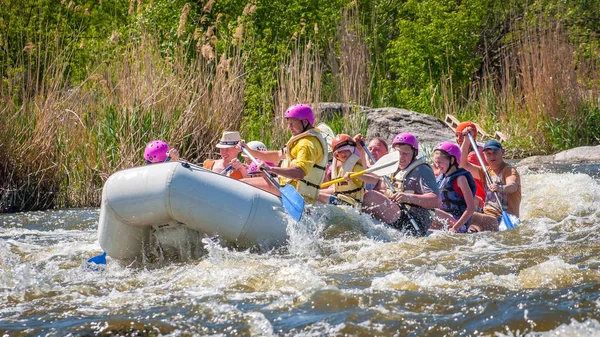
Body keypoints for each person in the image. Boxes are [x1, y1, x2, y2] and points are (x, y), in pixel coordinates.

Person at [238, 104, 328, 203]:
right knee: (243, 183)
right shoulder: (300, 139)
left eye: (292, 123)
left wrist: (271, 169)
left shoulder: (306, 144)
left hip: (294, 190)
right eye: (288, 123)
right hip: (289, 185)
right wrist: (250, 151)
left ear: (305, 122)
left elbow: (299, 172)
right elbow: (277, 155)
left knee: (242, 184)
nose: (289, 127)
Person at [362, 133, 441, 236]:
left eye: (405, 153)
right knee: (364, 196)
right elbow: (377, 182)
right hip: (398, 214)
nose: (401, 157)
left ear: (414, 153)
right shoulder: (394, 168)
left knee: (371, 196)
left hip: (414, 221)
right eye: (398, 153)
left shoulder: (422, 170)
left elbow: (436, 200)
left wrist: (408, 197)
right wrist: (355, 176)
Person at [459, 131, 522, 232]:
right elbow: (462, 164)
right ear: (484, 155)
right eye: (488, 153)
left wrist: (500, 188)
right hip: (486, 213)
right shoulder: (485, 172)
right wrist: (466, 140)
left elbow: (512, 186)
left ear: (503, 152)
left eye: (495, 152)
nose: (492, 156)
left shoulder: (509, 170)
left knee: (469, 215)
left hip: (503, 218)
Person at [317, 134, 379, 207]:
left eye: (347, 149)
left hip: (352, 204)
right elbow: (333, 190)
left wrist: (357, 175)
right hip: (341, 201)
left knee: (318, 196)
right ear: (336, 156)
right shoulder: (337, 170)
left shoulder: (355, 168)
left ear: (352, 151)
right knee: (314, 195)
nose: (343, 153)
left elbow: (374, 180)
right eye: (340, 151)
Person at [430, 142, 477, 233]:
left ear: (452, 160)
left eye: (440, 162)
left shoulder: (460, 179)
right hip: (444, 220)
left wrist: (455, 227)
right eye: (436, 162)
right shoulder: (441, 177)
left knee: (432, 212)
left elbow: (471, 208)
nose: (437, 166)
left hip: (459, 223)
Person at [452, 121, 487, 208]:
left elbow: (459, 167)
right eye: (457, 135)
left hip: (481, 200)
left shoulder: (474, 155)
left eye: (463, 135)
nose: (459, 139)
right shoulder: (480, 150)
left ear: (472, 136)